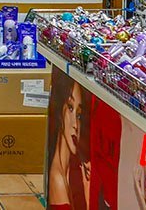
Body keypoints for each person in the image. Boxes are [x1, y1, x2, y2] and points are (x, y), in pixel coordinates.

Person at [47, 73, 91, 210]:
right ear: (60, 110)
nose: (75, 125)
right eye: (70, 108)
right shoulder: (58, 182)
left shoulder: (77, 169)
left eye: (78, 115)